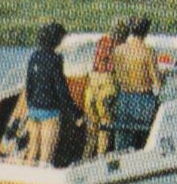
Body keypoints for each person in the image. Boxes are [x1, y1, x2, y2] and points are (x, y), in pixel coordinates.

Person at [22, 22, 76, 167]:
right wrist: (75, 112)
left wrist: (30, 106)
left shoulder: (34, 56)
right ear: (57, 39)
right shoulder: (55, 59)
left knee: (32, 154)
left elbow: (29, 85)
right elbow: (61, 90)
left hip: (33, 111)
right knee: (46, 159)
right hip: (50, 113)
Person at [109, 16, 161, 151]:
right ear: (146, 32)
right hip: (143, 99)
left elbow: (116, 74)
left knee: (123, 142)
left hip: (124, 96)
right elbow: (156, 81)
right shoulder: (147, 51)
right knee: (145, 140)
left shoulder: (119, 50)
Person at [83, 18, 128, 157]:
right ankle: (100, 159)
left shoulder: (101, 41)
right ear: (122, 35)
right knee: (105, 126)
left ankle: (86, 157)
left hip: (92, 86)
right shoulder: (119, 47)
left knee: (92, 127)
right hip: (107, 86)